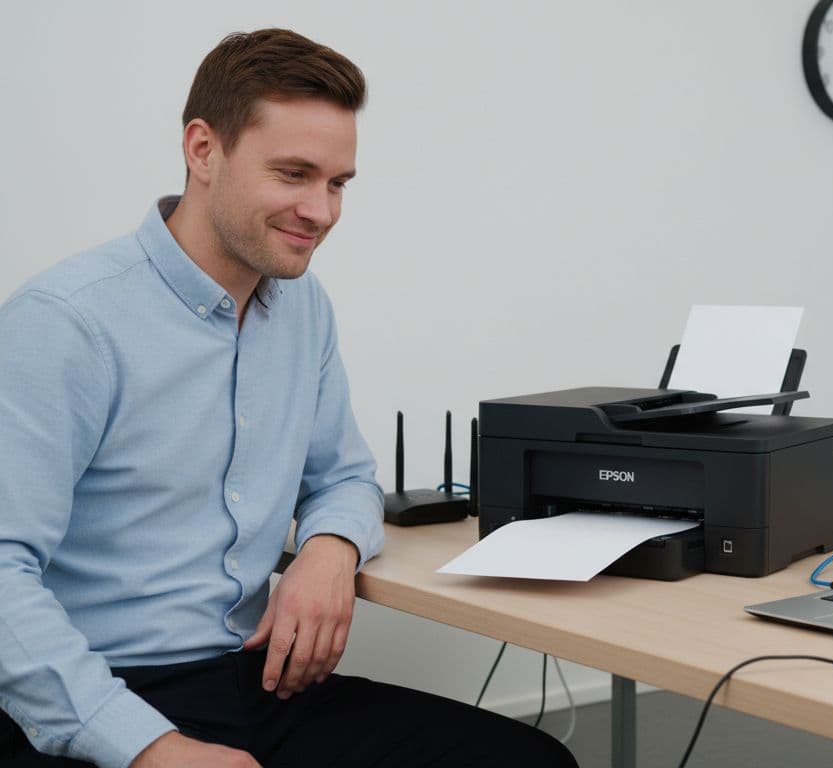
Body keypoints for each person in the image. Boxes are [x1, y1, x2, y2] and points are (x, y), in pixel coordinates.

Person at [0, 28, 577, 768]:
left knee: (529, 761)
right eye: (294, 174)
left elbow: (342, 476)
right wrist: (148, 748)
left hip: (249, 677)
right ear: (203, 150)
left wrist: (329, 549)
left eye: (337, 183)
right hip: (96, 692)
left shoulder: (301, 308)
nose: (322, 211)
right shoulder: (66, 323)